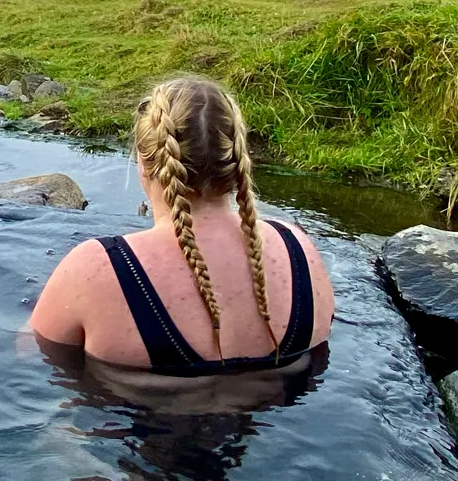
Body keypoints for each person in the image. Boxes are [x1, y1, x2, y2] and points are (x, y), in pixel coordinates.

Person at [31, 77, 334, 375]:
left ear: (144, 163)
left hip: (133, 407)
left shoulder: (96, 268)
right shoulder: (299, 249)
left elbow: (29, 354)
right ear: (238, 160)